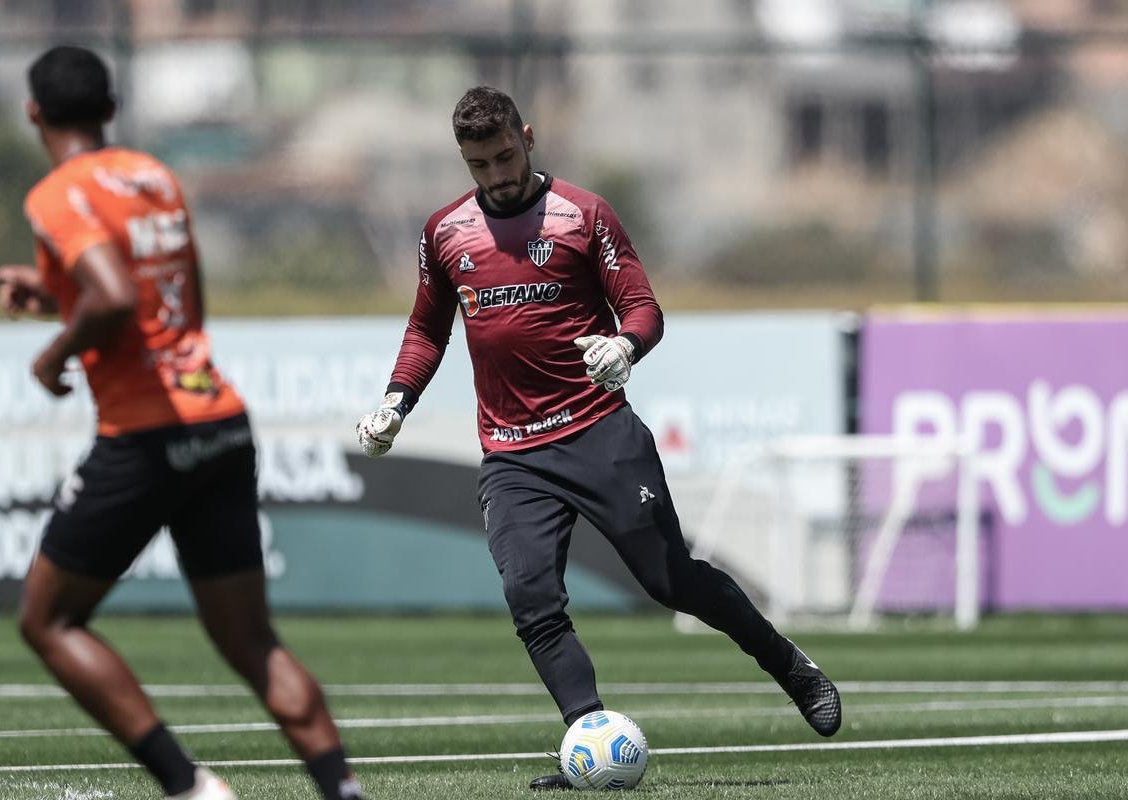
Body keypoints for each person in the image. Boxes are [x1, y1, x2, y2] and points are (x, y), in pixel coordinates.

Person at [357, 86, 842, 790]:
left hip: (598, 433)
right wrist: (396, 402)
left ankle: (791, 669)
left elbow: (642, 307)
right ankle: (589, 737)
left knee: (668, 579)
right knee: (530, 597)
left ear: (527, 136)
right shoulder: (444, 233)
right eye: (478, 164)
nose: (496, 174)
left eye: (504, 155)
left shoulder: (583, 215)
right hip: (513, 455)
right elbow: (427, 329)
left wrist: (624, 348)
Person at [0, 46, 366, 800]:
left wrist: (57, 353)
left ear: (34, 114)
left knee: (48, 622)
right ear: (111, 109)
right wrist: (67, 297)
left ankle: (189, 787)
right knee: (252, 643)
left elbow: (115, 301)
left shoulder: (56, 195)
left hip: (145, 434)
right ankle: (342, 791)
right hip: (219, 420)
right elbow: (174, 303)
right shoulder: (153, 176)